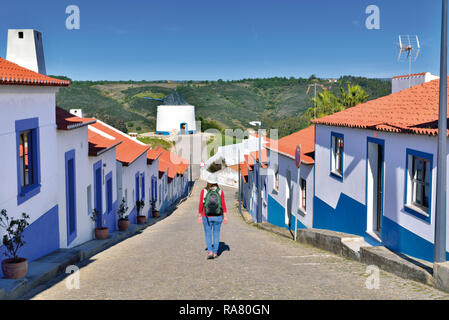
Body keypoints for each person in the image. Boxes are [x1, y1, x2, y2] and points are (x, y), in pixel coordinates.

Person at [198, 174, 228, 259]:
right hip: (218, 216)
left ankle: (210, 251)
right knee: (216, 233)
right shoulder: (220, 191)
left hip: (206, 216)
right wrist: (225, 216)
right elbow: (223, 204)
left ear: (208, 182)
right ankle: (215, 252)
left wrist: (199, 215)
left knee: (208, 234)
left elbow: (201, 204)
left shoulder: (204, 191)